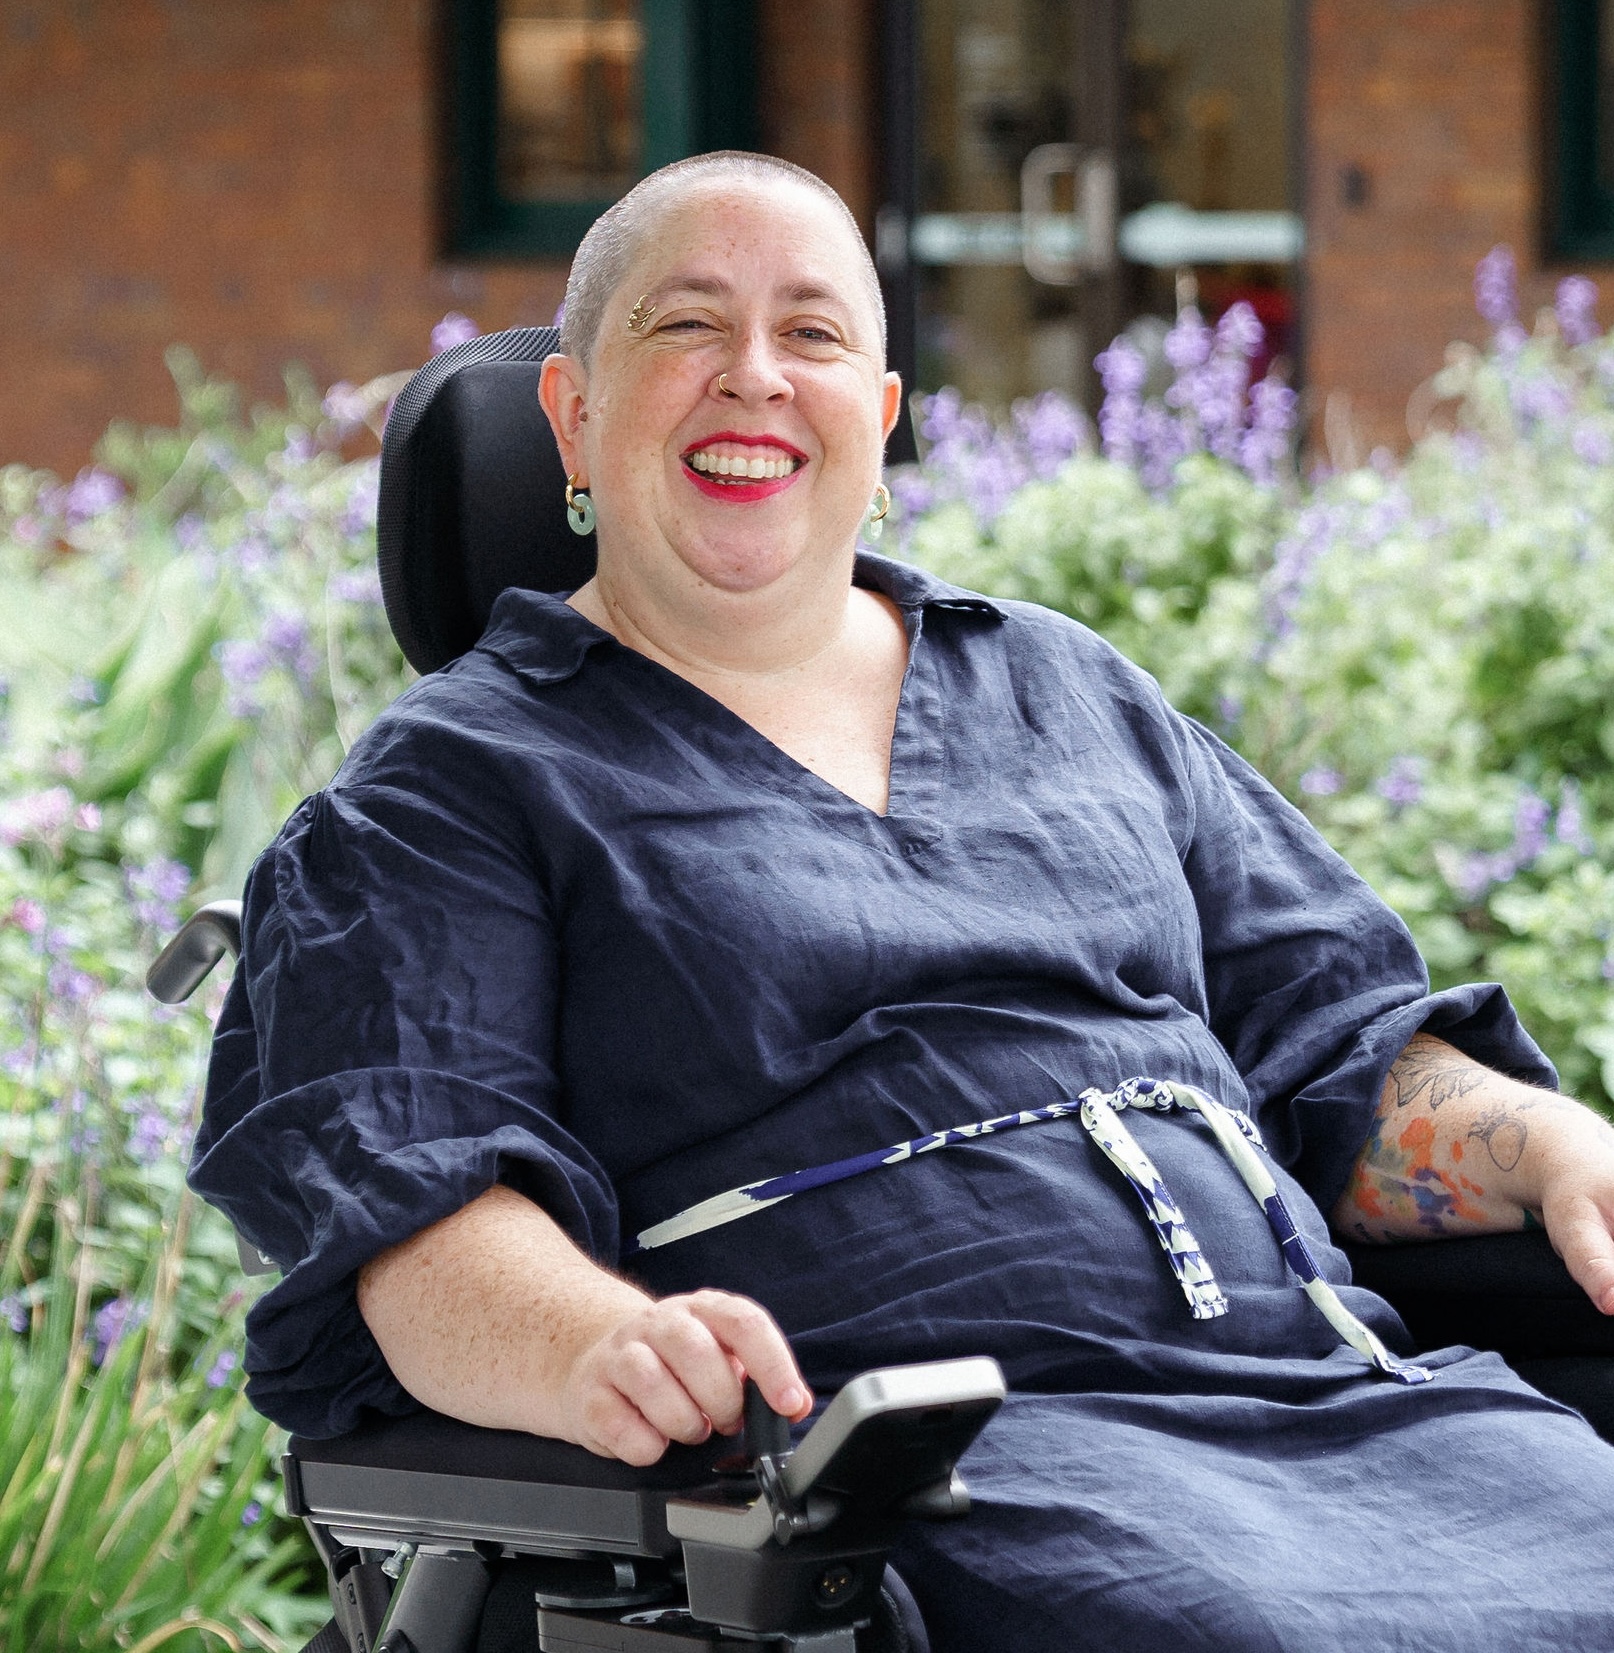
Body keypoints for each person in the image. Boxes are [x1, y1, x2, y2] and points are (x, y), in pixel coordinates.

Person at [193, 152, 1614, 1651]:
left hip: (1342, 1411)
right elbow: (419, 1210)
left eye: (810, 335)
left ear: (875, 424)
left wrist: (1556, 1149)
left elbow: (1333, 1040)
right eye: (685, 329)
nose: (754, 379)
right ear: (574, 415)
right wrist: (595, 1346)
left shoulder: (1064, 689)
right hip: (926, 1480)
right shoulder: (455, 788)